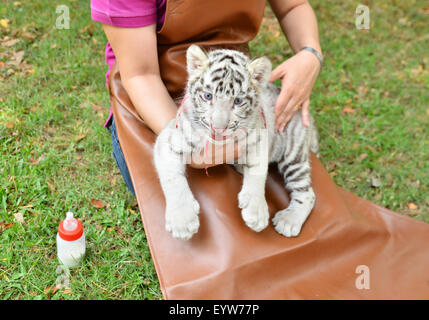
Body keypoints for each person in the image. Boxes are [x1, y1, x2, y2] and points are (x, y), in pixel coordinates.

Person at [91, 0, 323, 196]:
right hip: (155, 104)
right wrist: (186, 144)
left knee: (300, 196)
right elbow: (141, 75)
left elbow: (293, 6)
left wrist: (310, 53)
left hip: (232, 96)